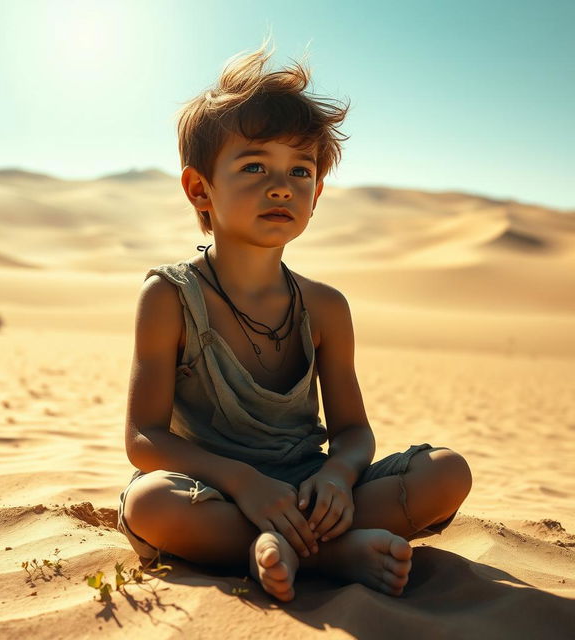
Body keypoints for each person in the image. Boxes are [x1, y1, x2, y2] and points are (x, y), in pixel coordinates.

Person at [117, 40, 472, 603]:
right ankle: (333, 555)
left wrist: (336, 477)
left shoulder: (326, 306)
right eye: (254, 165)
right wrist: (242, 481)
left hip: (311, 491)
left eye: (300, 170)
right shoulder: (170, 296)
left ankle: (286, 547)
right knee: (149, 504)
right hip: (213, 494)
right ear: (199, 189)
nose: (281, 184)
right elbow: (144, 438)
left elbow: (353, 432)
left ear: (317, 193)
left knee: (447, 472)